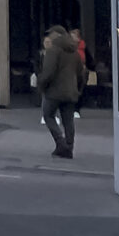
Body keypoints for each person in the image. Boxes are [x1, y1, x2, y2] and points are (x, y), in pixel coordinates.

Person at [37, 23, 85, 158]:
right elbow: (81, 73)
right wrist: (78, 89)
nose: (49, 37)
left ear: (57, 35)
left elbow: (48, 72)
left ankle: (61, 143)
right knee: (68, 120)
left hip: (54, 91)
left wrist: (41, 84)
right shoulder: (74, 52)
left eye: (51, 34)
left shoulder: (54, 50)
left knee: (48, 115)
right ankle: (68, 147)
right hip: (71, 92)